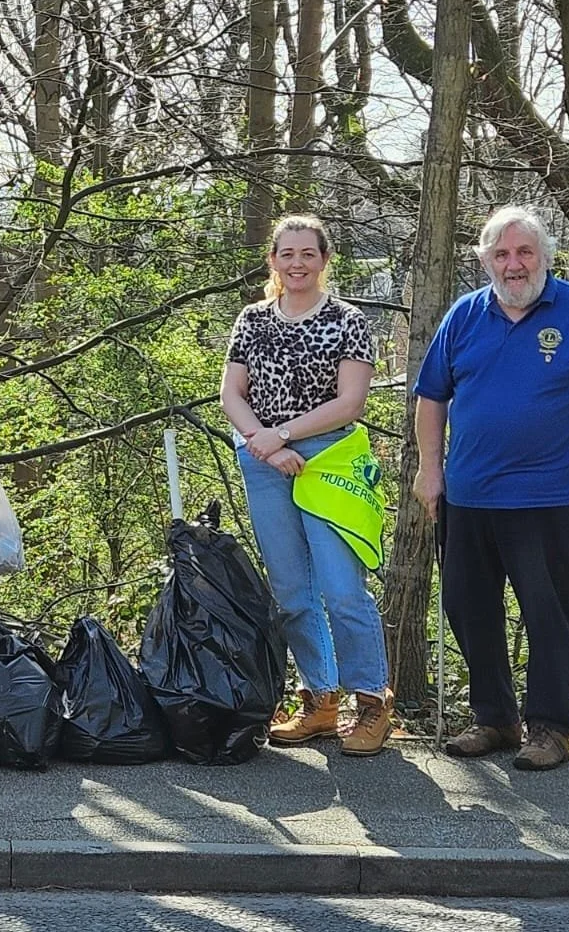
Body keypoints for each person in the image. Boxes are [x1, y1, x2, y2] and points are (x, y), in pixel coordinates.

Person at [413, 205, 569, 771]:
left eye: (524, 253)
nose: (513, 265)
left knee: (549, 614)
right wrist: (429, 468)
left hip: (549, 498)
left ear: (544, 257)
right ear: (487, 261)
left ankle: (550, 729)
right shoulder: (465, 315)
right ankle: (494, 719)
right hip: (467, 496)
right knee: (470, 610)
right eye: (502, 254)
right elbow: (431, 397)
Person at [220, 215, 391, 756]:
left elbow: (351, 402)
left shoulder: (347, 320)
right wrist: (264, 443)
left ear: (324, 259)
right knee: (293, 593)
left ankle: (372, 701)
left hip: (331, 458)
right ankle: (321, 700)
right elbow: (231, 393)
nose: (297, 263)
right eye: (287, 254)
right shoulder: (252, 320)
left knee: (342, 589)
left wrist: (284, 434)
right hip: (264, 459)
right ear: (273, 260)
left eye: (308, 254)